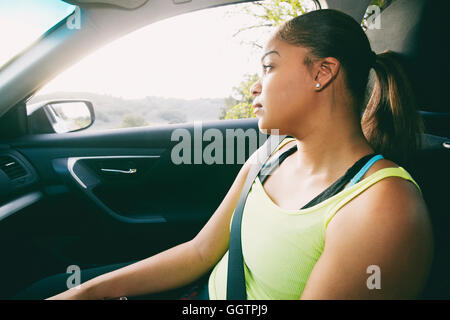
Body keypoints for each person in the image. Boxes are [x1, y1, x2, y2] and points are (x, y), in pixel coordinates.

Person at [19, 9, 433, 300]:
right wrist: (93, 289)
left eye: (269, 67)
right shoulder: (273, 155)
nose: (255, 86)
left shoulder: (381, 205)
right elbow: (201, 252)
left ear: (321, 74)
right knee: (47, 290)